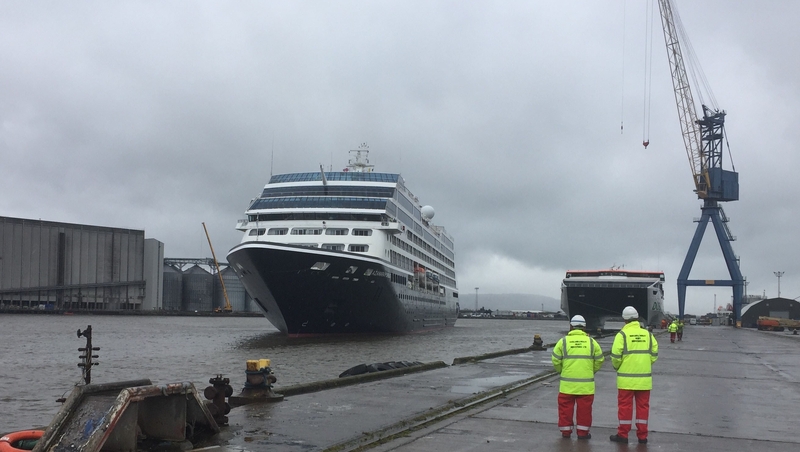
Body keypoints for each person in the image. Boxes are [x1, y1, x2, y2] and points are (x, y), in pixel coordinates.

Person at [610, 306, 659, 445]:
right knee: (643, 408)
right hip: (644, 380)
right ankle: (642, 436)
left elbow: (615, 356)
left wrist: (618, 367)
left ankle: (623, 435)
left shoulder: (622, 335)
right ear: (637, 318)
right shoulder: (648, 334)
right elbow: (654, 353)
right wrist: (645, 363)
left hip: (626, 380)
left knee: (625, 408)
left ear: (624, 319)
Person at [551, 315, 604, 440]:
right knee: (585, 411)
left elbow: (555, 360)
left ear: (571, 326)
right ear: (584, 327)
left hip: (567, 385)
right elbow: (600, 360)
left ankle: (566, 432)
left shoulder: (563, 342)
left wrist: (562, 372)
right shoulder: (592, 342)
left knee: (565, 410)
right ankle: (583, 434)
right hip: (586, 386)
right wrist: (591, 371)